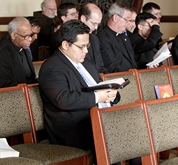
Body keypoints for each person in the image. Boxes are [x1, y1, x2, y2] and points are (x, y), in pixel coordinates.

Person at [38, 20, 119, 151]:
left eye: (88, 46)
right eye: (81, 47)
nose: (86, 51)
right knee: (121, 138)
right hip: (74, 127)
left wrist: (111, 93)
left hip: (99, 118)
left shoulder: (86, 62)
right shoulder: (52, 67)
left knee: (135, 133)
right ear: (65, 44)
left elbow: (98, 86)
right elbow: (63, 100)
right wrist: (98, 98)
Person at [0, 17, 36, 88]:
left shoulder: (24, 47)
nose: (30, 39)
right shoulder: (2, 56)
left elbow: (30, 77)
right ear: (13, 36)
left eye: (30, 35)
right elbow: (5, 86)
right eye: (25, 36)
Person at [97, 3, 137, 73]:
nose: (128, 23)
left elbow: (132, 62)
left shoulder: (124, 36)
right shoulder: (102, 38)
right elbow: (111, 67)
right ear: (115, 17)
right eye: (126, 20)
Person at [79, 3, 108, 73]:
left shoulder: (94, 38)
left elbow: (100, 64)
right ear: (83, 18)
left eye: (98, 24)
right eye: (94, 23)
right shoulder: (72, 39)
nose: (96, 28)